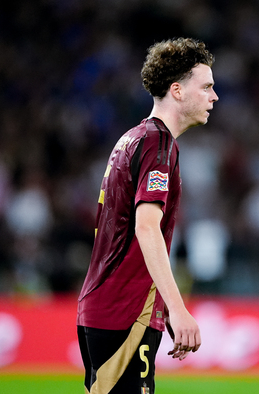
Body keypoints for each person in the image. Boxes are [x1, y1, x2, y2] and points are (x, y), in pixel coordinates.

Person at [77, 37, 218, 394]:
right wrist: (178, 305)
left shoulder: (134, 137)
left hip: (109, 306)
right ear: (177, 91)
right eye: (206, 87)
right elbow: (146, 228)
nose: (214, 97)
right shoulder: (159, 144)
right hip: (123, 311)